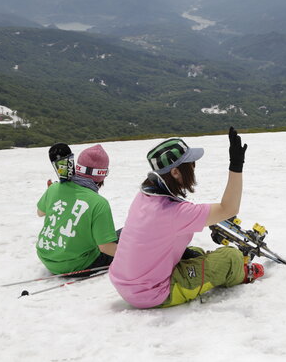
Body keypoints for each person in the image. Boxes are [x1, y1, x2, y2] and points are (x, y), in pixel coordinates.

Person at [109, 127, 263, 309]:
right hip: (153, 293)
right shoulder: (175, 213)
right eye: (191, 163)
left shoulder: (144, 197)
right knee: (231, 257)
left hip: (125, 283)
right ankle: (243, 272)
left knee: (195, 251)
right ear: (175, 172)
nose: (194, 167)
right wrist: (236, 165)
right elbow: (228, 209)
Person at [36, 144, 118, 275]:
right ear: (102, 174)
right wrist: (131, 257)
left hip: (46, 257)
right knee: (124, 235)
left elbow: (40, 213)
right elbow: (105, 247)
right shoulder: (99, 203)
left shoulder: (54, 189)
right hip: (77, 264)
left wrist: (52, 196)